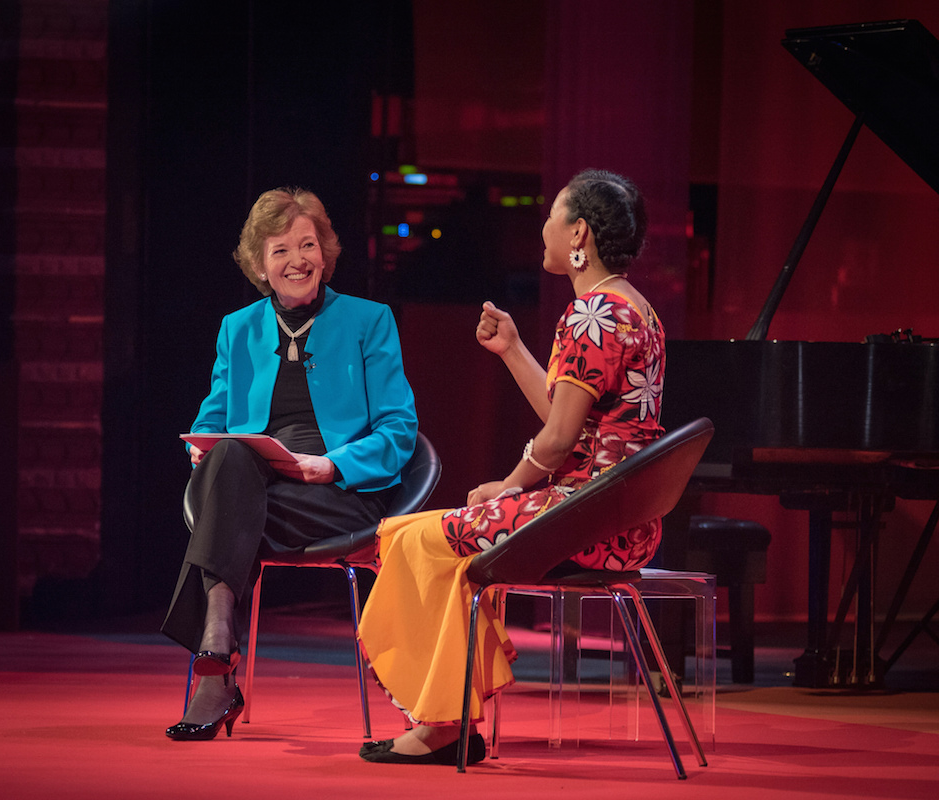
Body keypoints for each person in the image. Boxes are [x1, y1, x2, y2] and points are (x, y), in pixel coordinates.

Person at [357, 169, 665, 765]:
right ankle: (449, 718)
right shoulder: (636, 310)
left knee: (411, 538)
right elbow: (569, 419)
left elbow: (554, 446)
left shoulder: (591, 315)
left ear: (578, 231)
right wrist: (514, 350)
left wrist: (506, 485)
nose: (543, 226)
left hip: (584, 520)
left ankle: (442, 724)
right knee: (424, 538)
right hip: (624, 523)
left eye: (552, 215)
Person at [163, 187, 417, 741]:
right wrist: (199, 445)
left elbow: (400, 431)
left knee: (229, 505)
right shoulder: (238, 328)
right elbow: (216, 414)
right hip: (256, 480)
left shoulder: (369, 321)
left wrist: (332, 465)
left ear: (325, 255)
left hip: (339, 492)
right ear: (260, 264)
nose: (296, 260)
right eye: (280, 250)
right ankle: (217, 641)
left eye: (307, 246)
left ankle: (216, 656)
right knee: (230, 454)